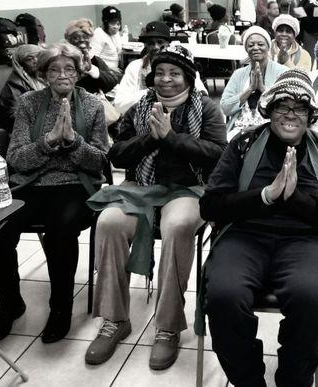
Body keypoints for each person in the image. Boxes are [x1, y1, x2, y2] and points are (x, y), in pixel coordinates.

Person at [201, 68, 318, 387]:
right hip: (244, 238)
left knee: (309, 299)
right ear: (269, 111)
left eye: (299, 108)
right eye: (282, 106)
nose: (290, 114)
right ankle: (248, 379)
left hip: (305, 243)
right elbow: (211, 204)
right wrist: (266, 196)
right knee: (223, 296)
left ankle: (293, 379)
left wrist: (295, 199)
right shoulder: (242, 144)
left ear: (311, 115)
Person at [84, 45, 226, 370]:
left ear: (188, 77)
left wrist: (172, 138)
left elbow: (220, 154)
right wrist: (150, 138)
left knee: (177, 227)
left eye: (175, 73)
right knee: (108, 222)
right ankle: (114, 319)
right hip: (140, 186)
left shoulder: (206, 109)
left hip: (188, 188)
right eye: (160, 73)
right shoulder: (139, 109)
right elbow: (117, 154)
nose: (166, 80)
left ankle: (167, 327)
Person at [0, 42, 109, 344]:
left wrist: (72, 141)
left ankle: (60, 309)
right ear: (43, 74)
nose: (62, 75)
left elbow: (99, 162)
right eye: (54, 69)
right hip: (30, 184)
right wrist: (49, 142)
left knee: (62, 228)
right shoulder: (29, 102)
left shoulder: (93, 104)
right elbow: (16, 158)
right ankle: (10, 304)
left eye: (69, 68)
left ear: (79, 72)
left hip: (75, 185)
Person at [113, 21, 207, 116]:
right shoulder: (135, 67)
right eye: (151, 43)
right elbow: (120, 104)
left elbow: (201, 95)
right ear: (146, 45)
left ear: (169, 43)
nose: (156, 47)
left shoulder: (183, 64)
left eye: (160, 42)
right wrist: (153, 92)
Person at [221, 26, 287, 133]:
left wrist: (263, 89)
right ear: (246, 49)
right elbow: (225, 108)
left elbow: (286, 107)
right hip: (241, 129)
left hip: (272, 129)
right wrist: (249, 89)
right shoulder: (238, 74)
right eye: (251, 45)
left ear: (268, 47)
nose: (255, 48)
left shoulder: (282, 72)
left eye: (260, 44)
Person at [64, 18, 120, 94]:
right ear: (69, 41)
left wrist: (91, 69)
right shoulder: (62, 60)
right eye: (76, 38)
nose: (81, 40)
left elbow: (111, 83)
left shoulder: (95, 60)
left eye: (85, 37)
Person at [0, 44, 47, 132]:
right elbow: (16, 118)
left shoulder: (41, 77)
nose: (35, 61)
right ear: (21, 64)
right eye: (29, 59)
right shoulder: (14, 85)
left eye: (38, 56)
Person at [91, 6, 123, 71]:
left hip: (115, 70)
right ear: (105, 22)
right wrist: (110, 69)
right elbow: (93, 60)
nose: (116, 27)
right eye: (112, 23)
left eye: (118, 23)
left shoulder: (115, 33)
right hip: (104, 73)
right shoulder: (98, 34)